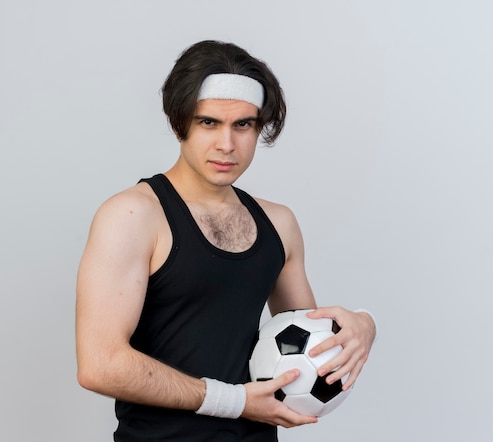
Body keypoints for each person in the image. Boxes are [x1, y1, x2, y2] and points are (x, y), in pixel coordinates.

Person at [75, 40, 377, 441]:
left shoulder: (279, 223)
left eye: (243, 125)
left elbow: (308, 343)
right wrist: (235, 402)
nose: (226, 145)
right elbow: (100, 363)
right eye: (208, 123)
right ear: (179, 122)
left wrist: (363, 324)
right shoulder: (132, 216)